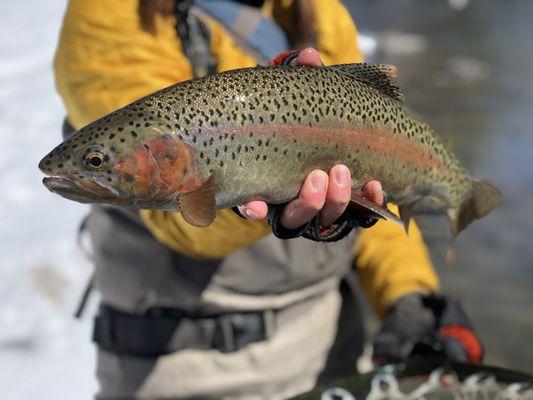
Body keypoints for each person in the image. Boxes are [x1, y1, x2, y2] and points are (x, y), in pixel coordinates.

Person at [53, 0, 482, 398]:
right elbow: (187, 229)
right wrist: (266, 201)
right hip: (184, 365)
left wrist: (408, 293)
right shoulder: (111, 13)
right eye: (96, 161)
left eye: (93, 161)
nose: (91, 168)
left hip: (330, 342)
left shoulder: (319, 12)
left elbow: (369, 190)